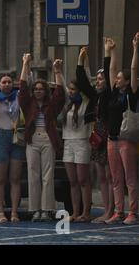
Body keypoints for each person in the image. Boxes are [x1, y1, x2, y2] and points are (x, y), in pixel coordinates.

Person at [18, 54, 65, 222]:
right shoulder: (28, 103)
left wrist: (58, 72)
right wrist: (25, 64)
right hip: (32, 140)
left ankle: (46, 210)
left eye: (41, 89)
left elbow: (60, 94)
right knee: (33, 174)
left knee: (47, 175)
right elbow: (22, 88)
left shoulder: (51, 105)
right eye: (36, 89)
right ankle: (35, 210)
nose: (38, 91)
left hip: (48, 140)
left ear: (45, 91)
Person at [75, 46, 114, 223]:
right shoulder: (95, 96)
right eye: (97, 79)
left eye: (100, 79)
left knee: (110, 175)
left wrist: (107, 53)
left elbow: (108, 70)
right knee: (101, 176)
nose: (98, 82)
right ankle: (107, 211)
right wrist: (80, 61)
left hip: (109, 135)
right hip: (98, 136)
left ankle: (113, 210)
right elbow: (82, 83)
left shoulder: (109, 94)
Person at [104, 34, 138, 225]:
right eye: (116, 78)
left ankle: (133, 212)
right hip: (112, 139)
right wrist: (112, 50)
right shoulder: (114, 92)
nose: (116, 79)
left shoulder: (132, 94)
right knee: (116, 178)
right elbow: (112, 68)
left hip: (126, 139)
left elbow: (133, 68)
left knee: (130, 178)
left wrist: (135, 48)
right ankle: (119, 211)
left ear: (126, 81)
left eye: (119, 78)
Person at [0, 55, 25, 223]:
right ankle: (1, 212)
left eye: (9, 82)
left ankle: (15, 212)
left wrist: (25, 63)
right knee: (1, 178)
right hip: (0, 136)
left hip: (16, 137)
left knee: (15, 178)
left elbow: (25, 84)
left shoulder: (18, 97)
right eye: (4, 82)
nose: (7, 84)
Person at [61, 47, 93, 222]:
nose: (71, 91)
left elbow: (86, 79)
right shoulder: (69, 103)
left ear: (80, 91)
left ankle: (86, 212)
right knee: (72, 181)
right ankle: (75, 212)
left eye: (74, 89)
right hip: (68, 142)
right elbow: (61, 84)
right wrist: (58, 72)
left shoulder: (86, 101)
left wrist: (83, 59)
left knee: (83, 180)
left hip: (82, 141)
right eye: (70, 89)